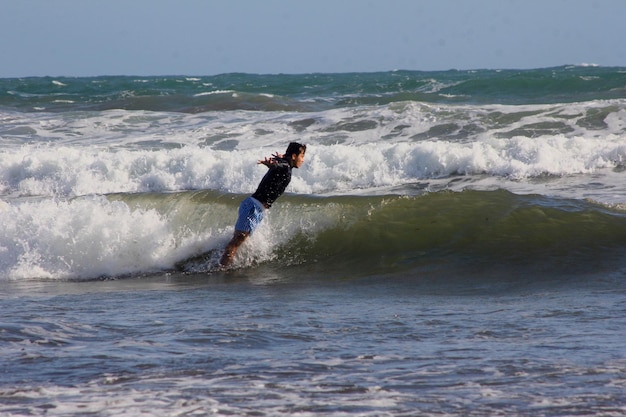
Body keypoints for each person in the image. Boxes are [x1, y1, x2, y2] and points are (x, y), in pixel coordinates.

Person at [220, 142, 306, 267]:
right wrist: (274, 164)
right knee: (235, 243)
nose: (303, 160)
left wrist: (278, 160)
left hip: (257, 209)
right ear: (294, 156)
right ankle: (222, 270)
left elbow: (280, 163)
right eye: (302, 156)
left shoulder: (285, 164)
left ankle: (224, 265)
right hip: (253, 208)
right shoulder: (284, 166)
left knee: (239, 242)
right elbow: (279, 166)